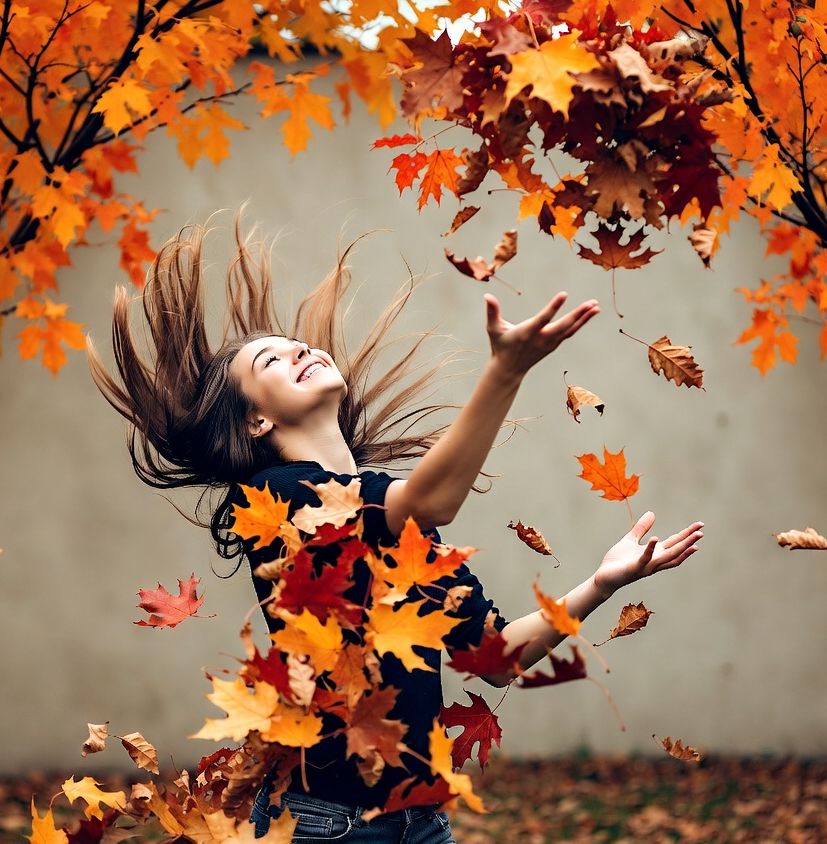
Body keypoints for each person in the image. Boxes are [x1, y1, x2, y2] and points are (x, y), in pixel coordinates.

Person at [89, 214, 703, 844]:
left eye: (299, 344)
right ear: (255, 423)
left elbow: (496, 657)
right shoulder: (275, 499)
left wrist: (602, 583)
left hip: (420, 822)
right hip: (327, 827)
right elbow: (430, 503)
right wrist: (506, 371)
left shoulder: (394, 520)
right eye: (272, 359)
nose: (301, 349)